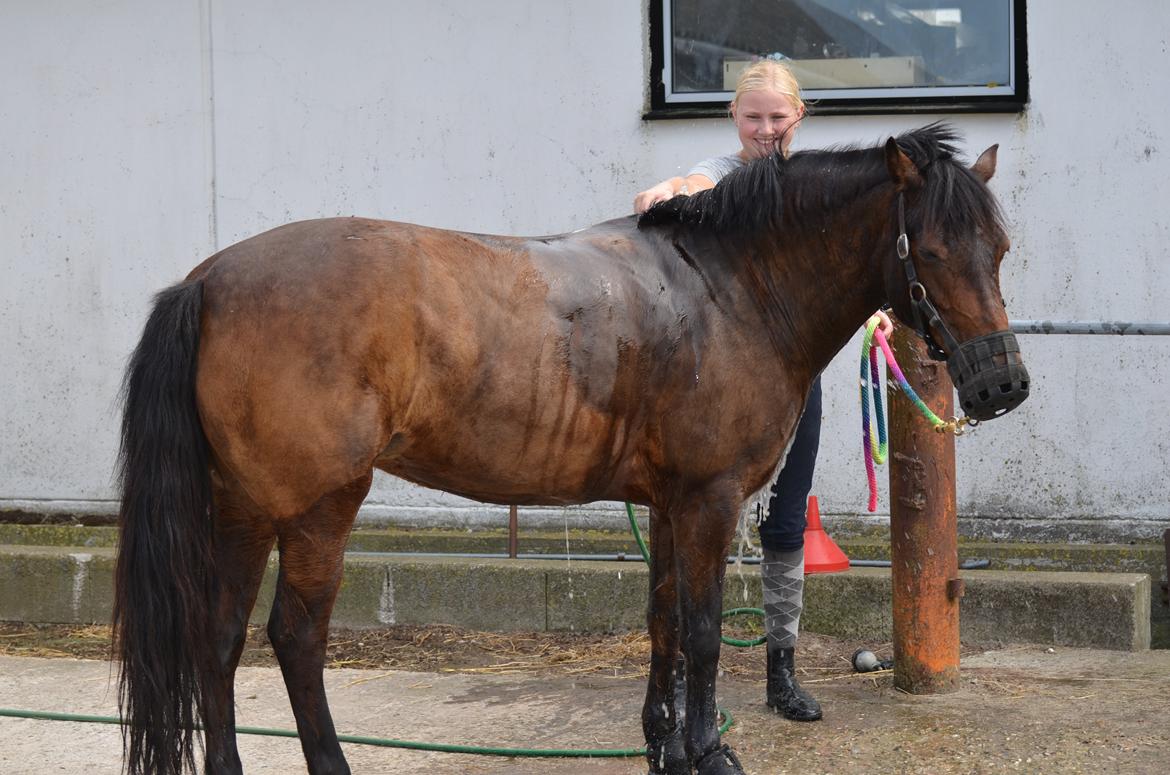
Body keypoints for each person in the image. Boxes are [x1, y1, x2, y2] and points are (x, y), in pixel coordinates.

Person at [634, 59, 892, 723]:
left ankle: (782, 666)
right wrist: (666, 189)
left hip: (792, 388)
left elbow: (839, 273)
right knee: (705, 525)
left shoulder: (812, 195)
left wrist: (873, 313)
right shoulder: (722, 173)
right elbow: (691, 183)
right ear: (734, 118)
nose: (766, 129)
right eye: (754, 117)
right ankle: (692, 678)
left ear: (798, 118)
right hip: (721, 393)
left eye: (778, 117)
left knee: (786, 525)